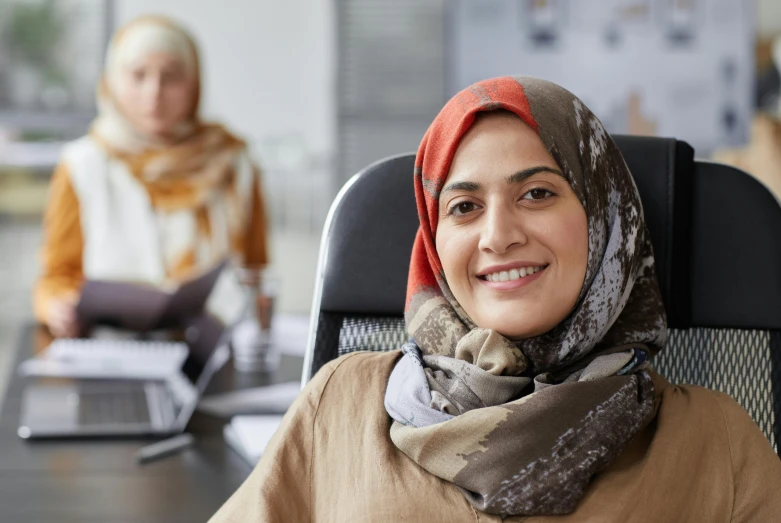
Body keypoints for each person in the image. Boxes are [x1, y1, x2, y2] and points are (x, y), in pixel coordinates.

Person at [210, 77, 781, 522]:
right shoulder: (341, 403)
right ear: (435, 245)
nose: (497, 235)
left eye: (537, 193)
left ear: (605, 222)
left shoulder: (714, 441)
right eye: (463, 207)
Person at [34, 15, 269, 337]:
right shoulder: (83, 164)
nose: (154, 92)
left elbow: (256, 272)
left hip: (210, 353)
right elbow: (56, 277)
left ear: (195, 83)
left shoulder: (233, 162)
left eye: (171, 77)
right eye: (137, 75)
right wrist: (55, 307)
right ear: (113, 81)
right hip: (110, 353)